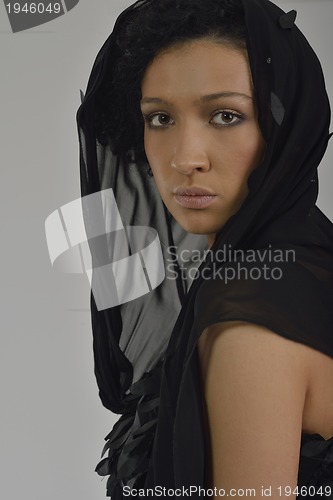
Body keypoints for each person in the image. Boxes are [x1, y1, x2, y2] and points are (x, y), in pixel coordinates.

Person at [76, 0, 333, 498]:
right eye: (159, 119)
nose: (185, 158)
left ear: (285, 130)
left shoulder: (249, 323)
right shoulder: (309, 269)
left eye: (225, 115)